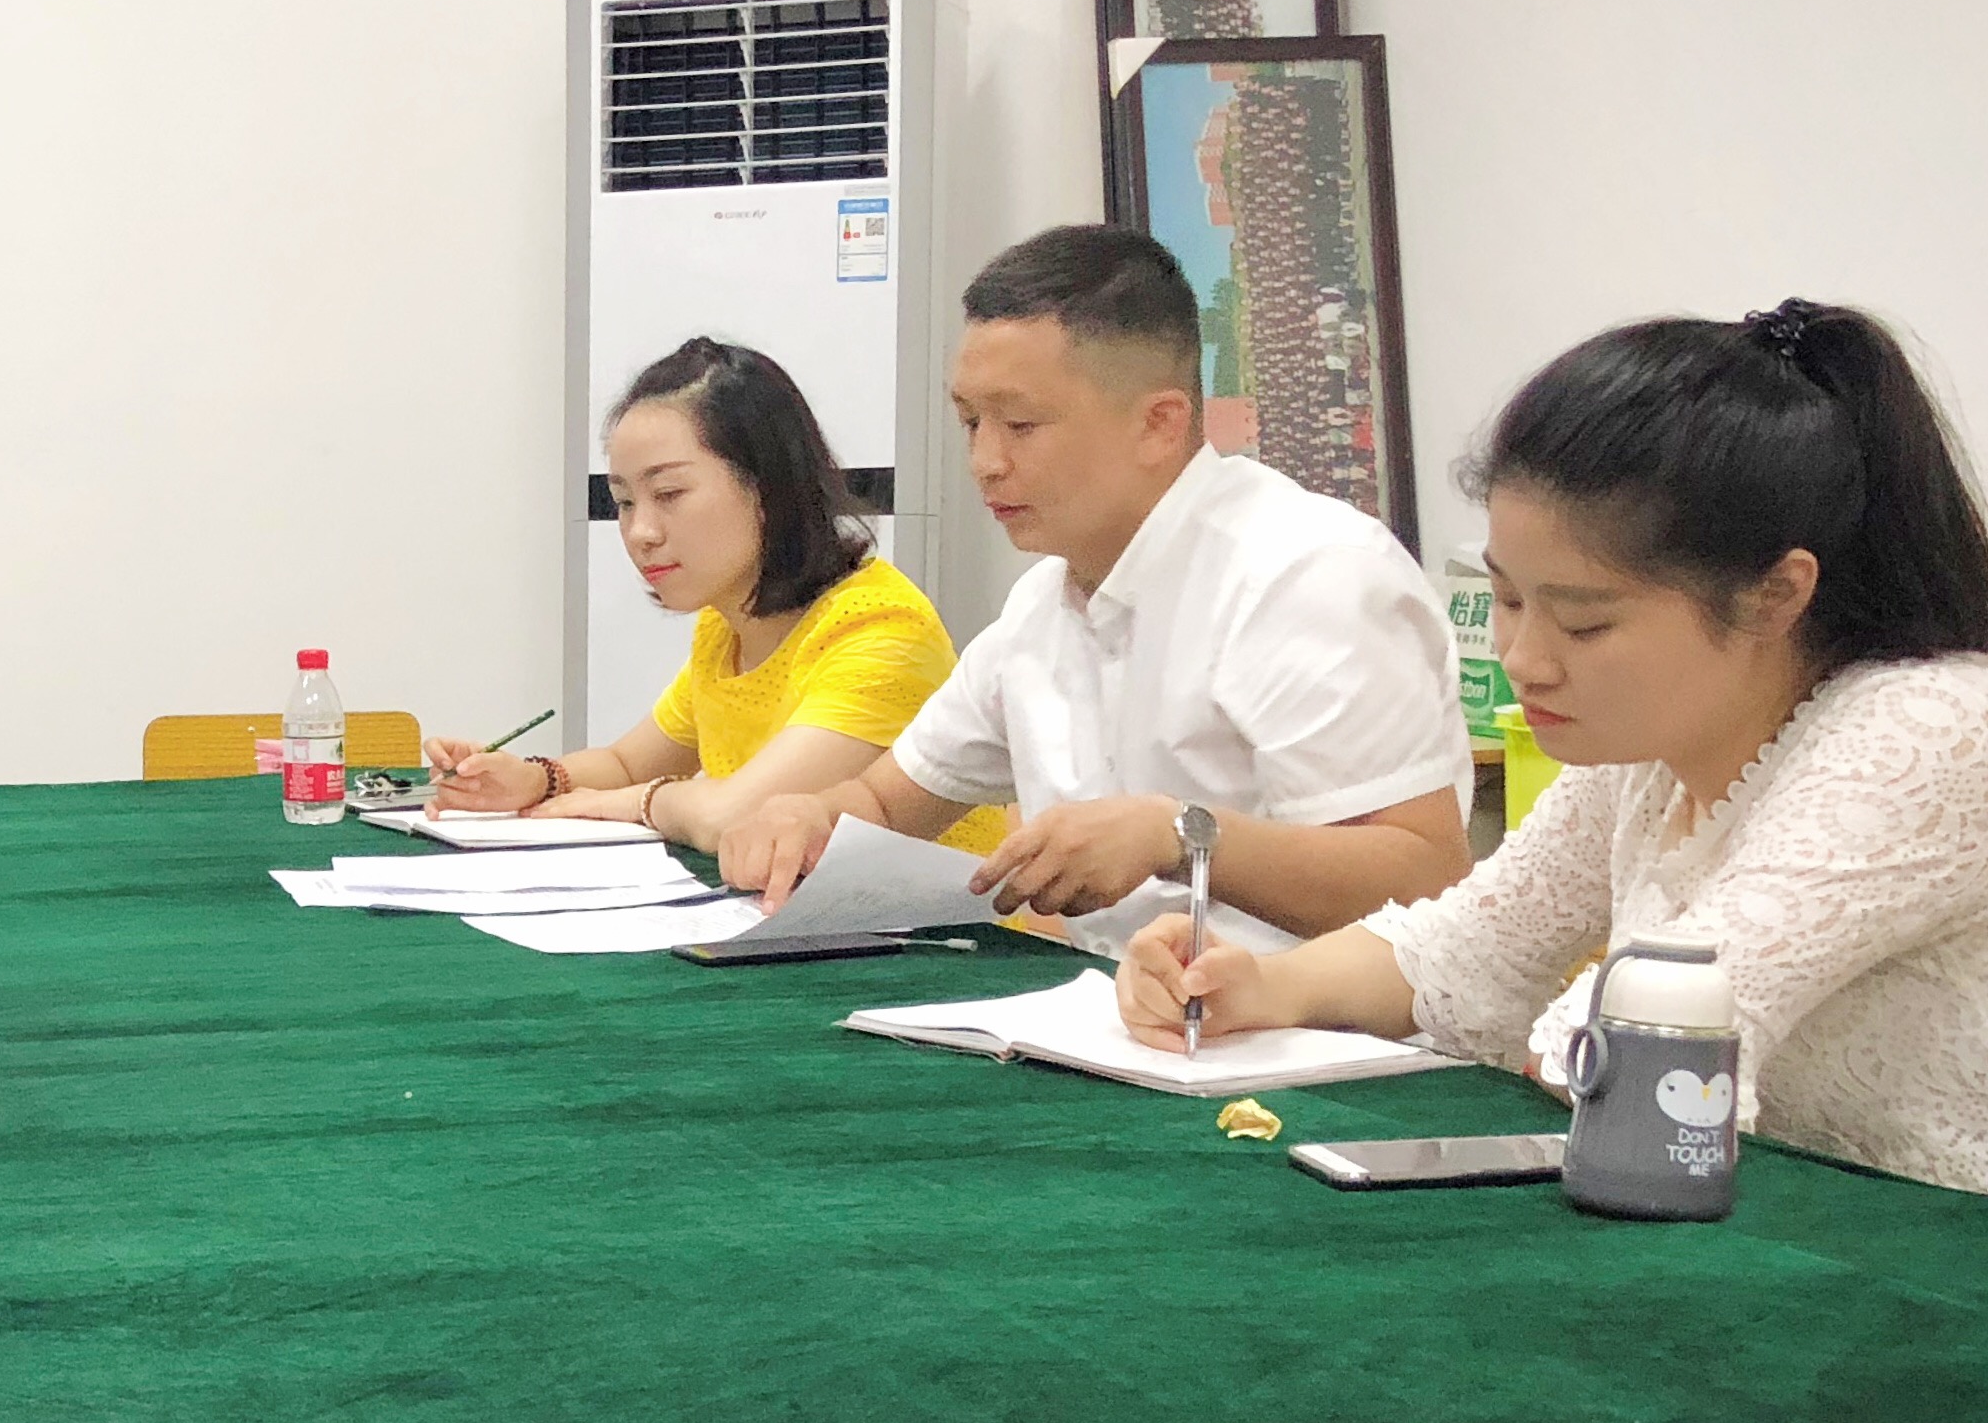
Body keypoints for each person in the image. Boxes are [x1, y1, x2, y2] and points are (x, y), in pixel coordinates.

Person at [1120, 301, 1988, 1195]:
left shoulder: (1931, 732)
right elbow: (1473, 944)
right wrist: (1258, 986)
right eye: (1507, 599)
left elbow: (1652, 1026)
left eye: (1584, 622)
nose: (1524, 659)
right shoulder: (1654, 743)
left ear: (1775, 595)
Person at [720, 226, 1472, 947]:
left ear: (1159, 424)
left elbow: (1423, 878)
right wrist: (808, 819)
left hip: (1305, 1024)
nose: (985, 461)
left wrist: (1176, 837)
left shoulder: (1306, 573)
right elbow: (886, 801)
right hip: (1111, 1009)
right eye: (971, 422)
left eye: (1019, 424)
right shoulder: (1042, 604)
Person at [422, 336, 1003, 859]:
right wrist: (534, 778)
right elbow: (627, 762)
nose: (640, 532)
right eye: (624, 502)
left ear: (768, 487)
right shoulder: (725, 625)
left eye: (669, 493)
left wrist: (637, 802)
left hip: (942, 931)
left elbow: (735, 816)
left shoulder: (878, 629)